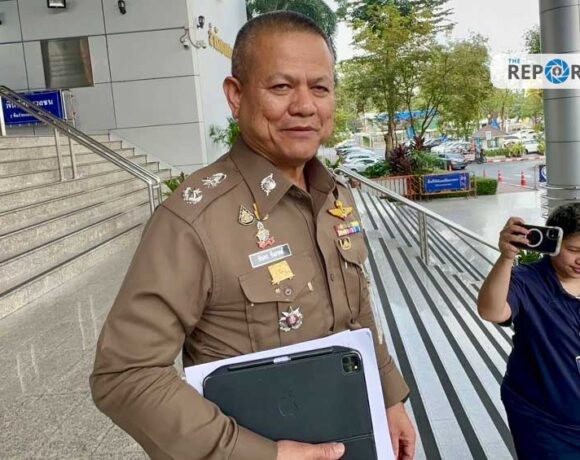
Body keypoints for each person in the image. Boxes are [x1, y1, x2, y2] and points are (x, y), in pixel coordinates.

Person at [90, 11, 415, 460]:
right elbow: (124, 374)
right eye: (281, 87)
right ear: (236, 95)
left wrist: (390, 397)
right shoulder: (193, 221)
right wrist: (259, 454)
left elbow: (356, 311)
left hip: (353, 436)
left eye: (320, 88)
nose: (305, 106)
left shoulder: (334, 195)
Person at [477, 205, 580, 459]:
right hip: (544, 421)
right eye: (574, 250)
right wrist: (506, 258)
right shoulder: (527, 281)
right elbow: (491, 311)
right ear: (553, 244)